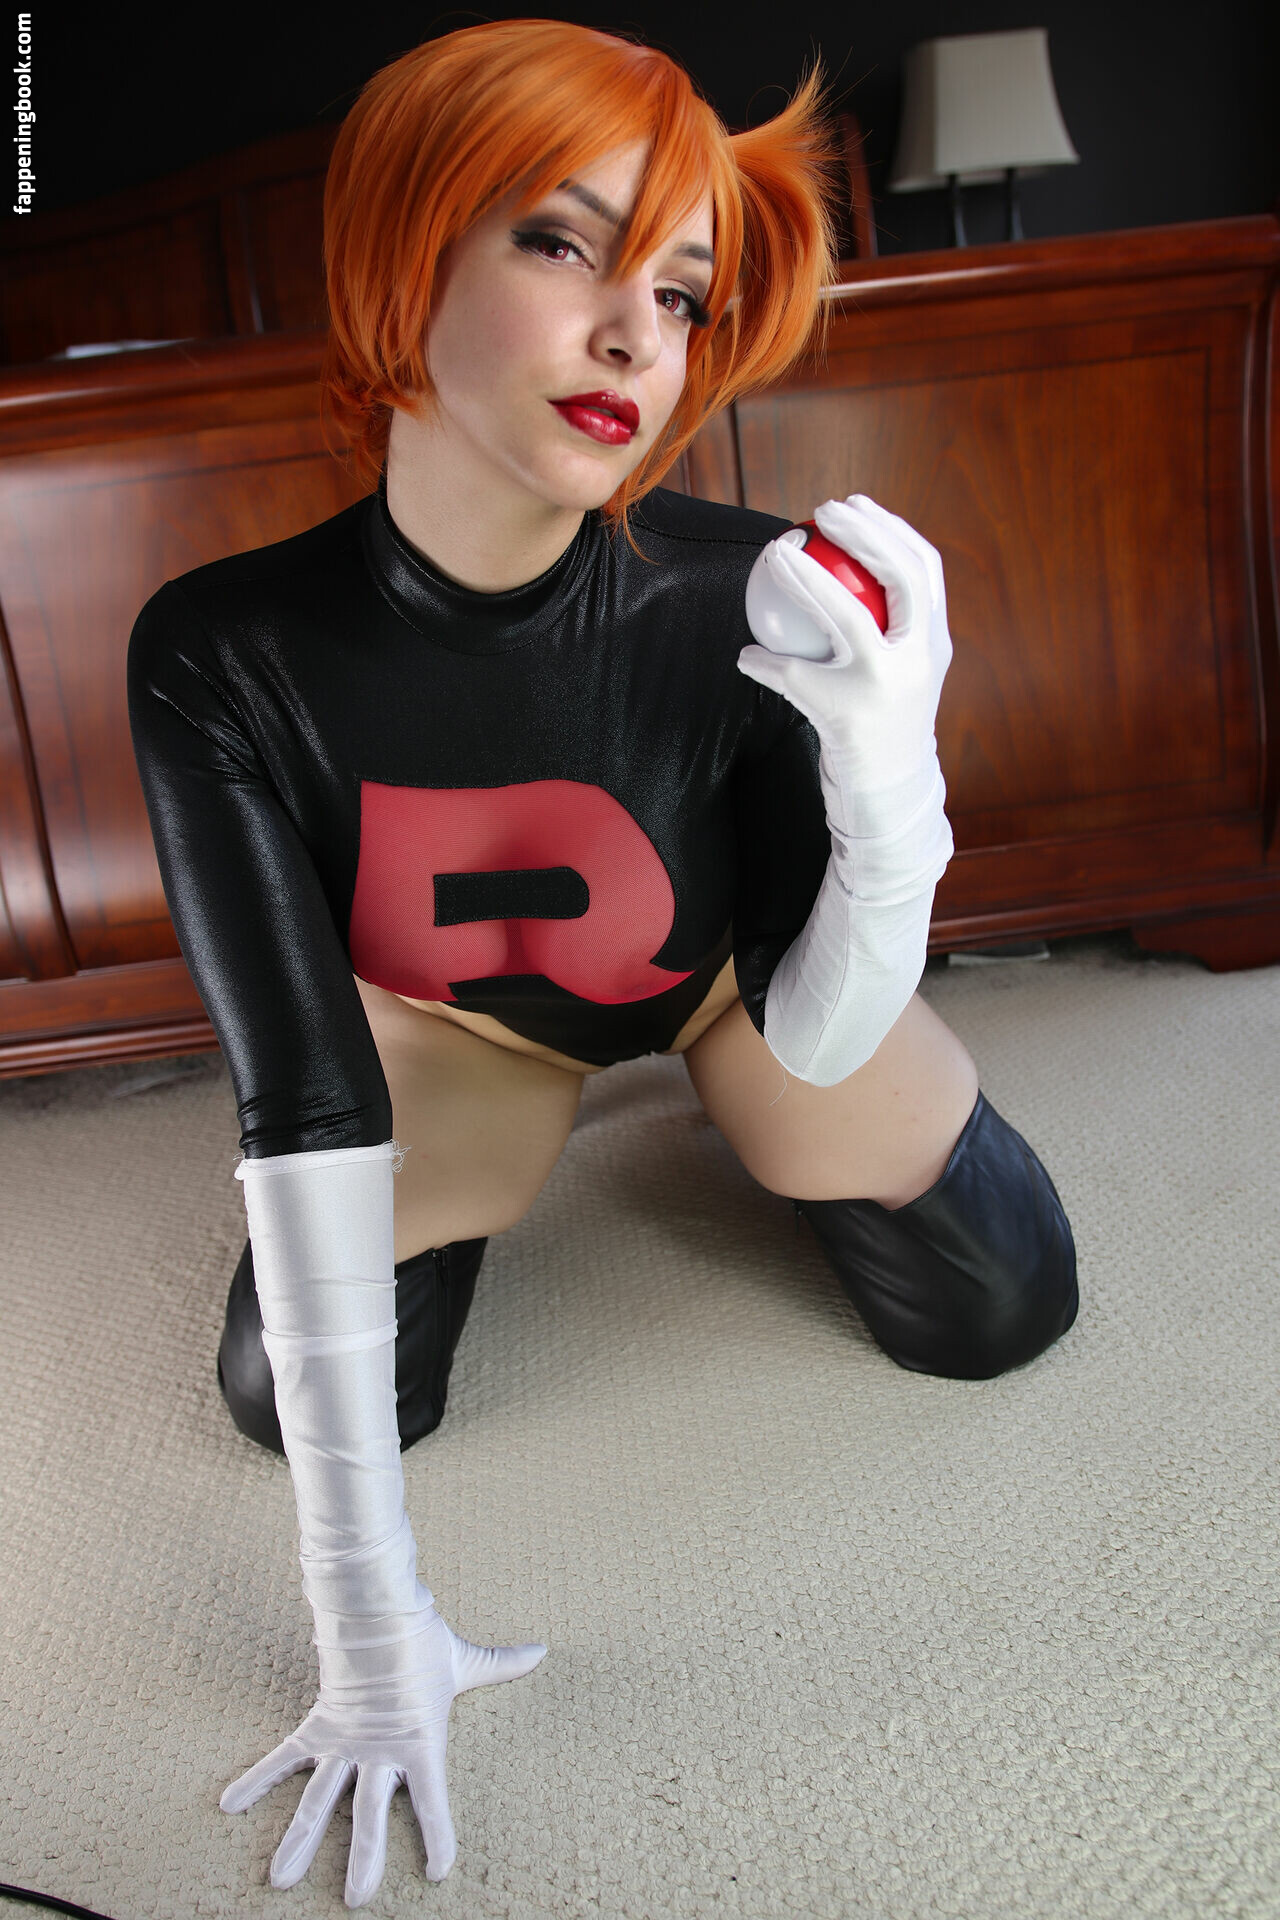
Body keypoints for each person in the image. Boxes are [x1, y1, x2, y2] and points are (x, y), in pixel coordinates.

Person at [127, 18, 1078, 1907]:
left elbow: (821, 1026)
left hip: (734, 986)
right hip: (459, 1025)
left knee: (1000, 1306)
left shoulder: (748, 592)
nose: (641, 338)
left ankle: (703, 1127)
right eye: (563, 244)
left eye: (683, 290)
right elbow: (298, 1092)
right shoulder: (224, 652)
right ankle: (524, 1158)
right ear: (404, 252)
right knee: (288, 1400)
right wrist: (369, 1626)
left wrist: (893, 803)